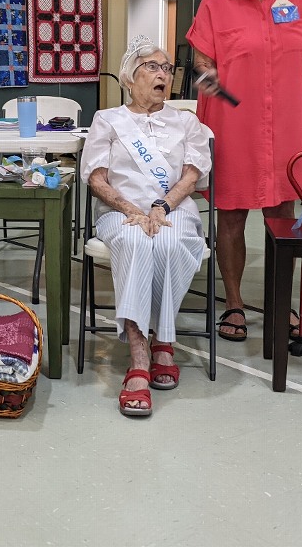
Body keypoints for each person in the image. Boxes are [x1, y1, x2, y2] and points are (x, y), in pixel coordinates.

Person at [186, 0, 302, 343]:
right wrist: (211, 77)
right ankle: (234, 303)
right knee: (231, 218)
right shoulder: (216, 2)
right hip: (235, 127)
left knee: (283, 216)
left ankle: (281, 302)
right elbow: (199, 64)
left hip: (287, 128)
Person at [81, 37, 212, 417]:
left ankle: (164, 343)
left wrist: (161, 206)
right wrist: (130, 209)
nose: (163, 75)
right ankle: (141, 354)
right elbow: (97, 178)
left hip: (174, 209)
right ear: (128, 77)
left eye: (167, 69)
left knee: (169, 243)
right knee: (137, 243)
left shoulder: (186, 121)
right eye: (152, 67)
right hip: (119, 211)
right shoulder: (108, 120)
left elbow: (192, 175)